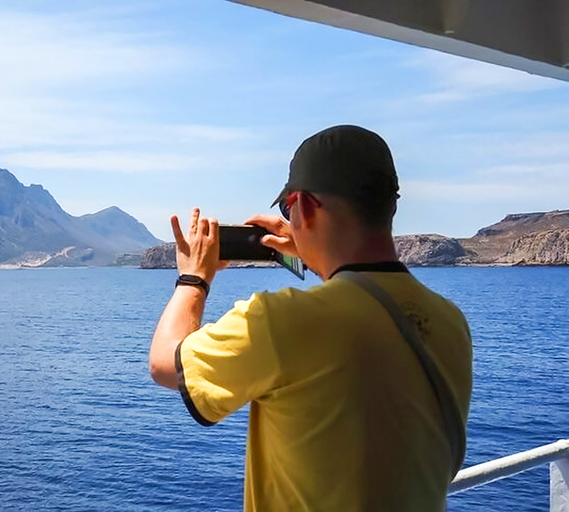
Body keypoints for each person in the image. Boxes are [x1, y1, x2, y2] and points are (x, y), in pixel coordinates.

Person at [148, 125, 473, 511]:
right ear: (391, 205)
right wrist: (314, 253)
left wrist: (193, 277)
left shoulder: (281, 322)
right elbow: (362, 298)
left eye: (288, 210)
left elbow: (165, 363)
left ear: (301, 205)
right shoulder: (450, 322)